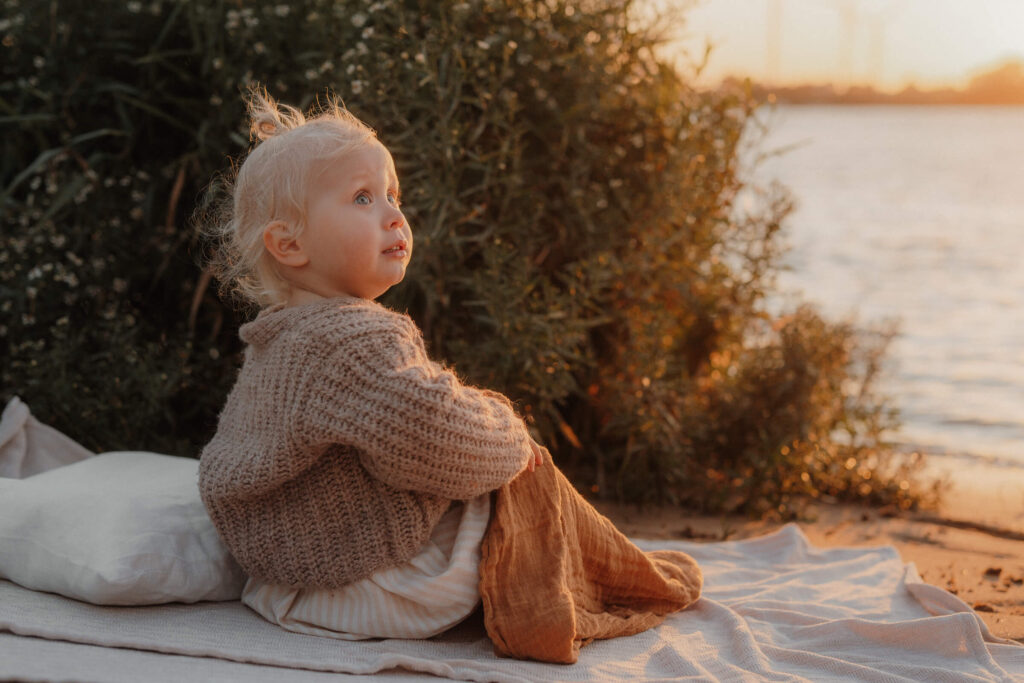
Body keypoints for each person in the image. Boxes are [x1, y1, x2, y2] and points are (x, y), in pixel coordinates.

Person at [198, 88, 701, 661]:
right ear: (289, 244)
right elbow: (437, 436)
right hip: (377, 588)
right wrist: (511, 433)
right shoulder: (353, 338)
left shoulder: (278, 341)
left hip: (283, 585)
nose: (393, 215)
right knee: (522, 473)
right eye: (362, 199)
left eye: (393, 195)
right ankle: (619, 578)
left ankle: (615, 565)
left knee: (491, 449)